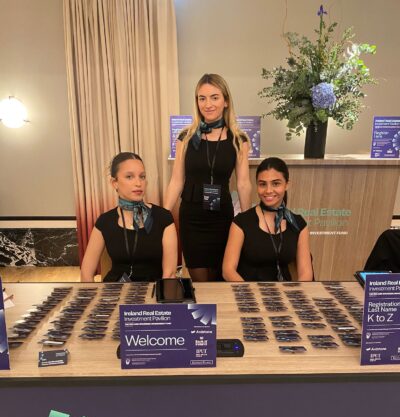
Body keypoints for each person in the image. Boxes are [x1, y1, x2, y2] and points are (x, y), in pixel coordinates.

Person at [164, 73, 252, 282]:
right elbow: (176, 181)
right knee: (200, 280)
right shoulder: (186, 137)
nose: (208, 104)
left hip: (221, 217)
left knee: (221, 277)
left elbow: (243, 183)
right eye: (202, 98)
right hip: (192, 217)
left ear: (226, 101)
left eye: (214, 97)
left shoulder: (239, 140)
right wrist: (163, 216)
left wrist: (247, 222)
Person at [81, 152, 178, 282]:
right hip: (115, 290)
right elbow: (86, 273)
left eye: (142, 177)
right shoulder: (105, 221)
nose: (138, 183)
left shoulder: (163, 218)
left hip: (153, 290)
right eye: (129, 177)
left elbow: (169, 274)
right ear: (114, 183)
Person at [222, 157, 313, 282]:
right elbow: (228, 271)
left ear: (287, 184)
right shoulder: (241, 222)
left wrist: (295, 292)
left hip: (285, 290)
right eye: (262, 184)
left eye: (276, 183)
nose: (268, 190)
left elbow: (306, 273)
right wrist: (249, 292)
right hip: (247, 290)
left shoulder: (298, 224)